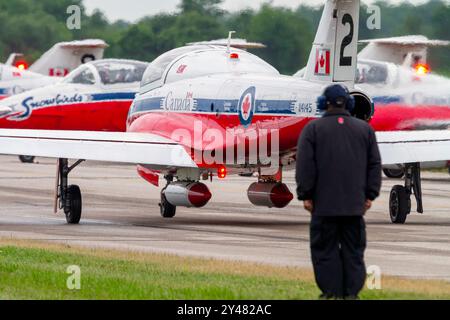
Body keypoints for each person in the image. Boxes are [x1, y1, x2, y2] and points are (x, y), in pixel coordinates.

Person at [295, 84, 382, 299]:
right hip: (354, 207)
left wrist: (306, 195)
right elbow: (374, 165)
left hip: (323, 207)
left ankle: (331, 292)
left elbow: (305, 166)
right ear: (350, 103)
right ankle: (351, 293)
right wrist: (370, 195)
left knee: (325, 251)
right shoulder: (365, 130)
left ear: (324, 103)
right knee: (354, 251)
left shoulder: (313, 130)